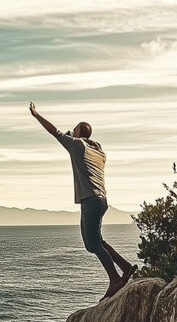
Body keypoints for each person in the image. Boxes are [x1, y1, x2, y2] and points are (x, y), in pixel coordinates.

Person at [29, 102, 136, 299]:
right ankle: (125, 266)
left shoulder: (77, 146)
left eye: (76, 127)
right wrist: (75, 134)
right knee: (95, 241)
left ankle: (115, 280)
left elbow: (55, 132)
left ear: (79, 133)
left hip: (91, 201)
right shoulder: (99, 151)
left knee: (93, 244)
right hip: (100, 200)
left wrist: (37, 115)